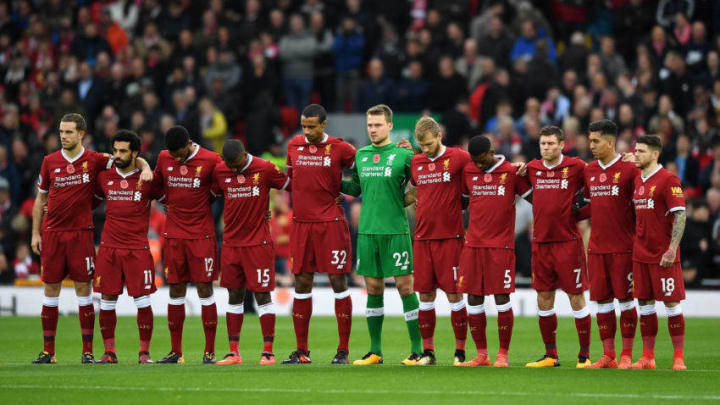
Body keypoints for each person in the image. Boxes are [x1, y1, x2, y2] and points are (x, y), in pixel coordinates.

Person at [31, 113, 152, 364]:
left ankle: (87, 351)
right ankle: (48, 352)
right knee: (50, 289)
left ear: (81, 134)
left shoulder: (96, 160)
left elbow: (129, 159)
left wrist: (147, 167)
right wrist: (35, 232)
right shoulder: (49, 161)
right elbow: (40, 198)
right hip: (52, 233)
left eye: (68, 132)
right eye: (61, 132)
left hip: (82, 234)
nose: (63, 137)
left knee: (84, 290)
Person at [342, 104, 422, 365]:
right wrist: (324, 179)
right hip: (367, 232)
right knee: (373, 287)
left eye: (378, 125)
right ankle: (375, 351)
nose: (373, 129)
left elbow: (425, 182)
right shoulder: (361, 155)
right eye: (369, 125)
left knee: (404, 287)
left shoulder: (403, 156)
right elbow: (354, 187)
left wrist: (405, 200)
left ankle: (417, 350)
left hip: (396, 231)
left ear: (390, 125)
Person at [283, 104, 356, 364]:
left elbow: (364, 167)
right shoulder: (293, 146)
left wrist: (348, 188)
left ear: (324, 125)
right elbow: (291, 181)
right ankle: (302, 351)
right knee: (302, 283)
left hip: (330, 224)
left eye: (312, 126)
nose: (307, 131)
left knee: (338, 282)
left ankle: (343, 350)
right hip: (302, 224)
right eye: (304, 126)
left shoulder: (340, 148)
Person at [212, 140, 290, 366]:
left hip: (258, 244)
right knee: (234, 296)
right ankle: (233, 352)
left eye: (236, 165)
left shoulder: (264, 168)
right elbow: (211, 192)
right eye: (230, 166)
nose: (234, 170)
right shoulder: (220, 170)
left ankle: (268, 352)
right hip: (231, 244)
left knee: (262, 296)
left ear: (245, 154)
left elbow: (292, 185)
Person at [458, 135, 532, 367]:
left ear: (492, 152)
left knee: (502, 297)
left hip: (501, 246)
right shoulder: (468, 171)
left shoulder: (512, 172)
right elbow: (461, 202)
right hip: (473, 245)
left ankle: (503, 354)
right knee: (473, 297)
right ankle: (482, 354)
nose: (478, 165)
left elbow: (537, 199)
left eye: (482, 160)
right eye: (475, 161)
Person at [522, 126, 593, 368]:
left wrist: (578, 214)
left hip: (567, 243)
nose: (546, 148)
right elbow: (519, 183)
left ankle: (584, 356)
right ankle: (550, 354)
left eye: (551, 144)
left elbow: (597, 192)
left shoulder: (577, 167)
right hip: (541, 243)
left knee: (576, 297)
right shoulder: (532, 169)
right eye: (543, 144)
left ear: (562, 144)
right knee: (544, 298)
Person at [153, 125, 223, 364]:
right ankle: (176, 352)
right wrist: (166, 200)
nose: (176, 158)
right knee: (175, 290)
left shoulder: (211, 159)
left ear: (189, 144)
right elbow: (155, 186)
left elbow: (220, 190)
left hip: (201, 236)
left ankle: (209, 351)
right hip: (173, 236)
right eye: (172, 154)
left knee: (205, 289)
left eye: (180, 153)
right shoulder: (164, 158)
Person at [93, 130, 164, 364]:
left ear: (135, 153)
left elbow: (171, 201)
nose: (118, 155)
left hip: (137, 249)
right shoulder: (103, 176)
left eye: (123, 151)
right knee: (107, 300)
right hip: (109, 248)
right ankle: (109, 352)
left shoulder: (148, 180)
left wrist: (145, 167)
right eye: (115, 150)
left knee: (143, 301)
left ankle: (144, 353)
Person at [406, 117, 470, 366]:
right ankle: (429, 352)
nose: (426, 149)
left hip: (450, 239)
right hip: (423, 239)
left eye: (430, 144)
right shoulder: (417, 161)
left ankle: (460, 352)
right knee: (425, 295)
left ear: (440, 136)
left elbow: (485, 165)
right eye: (421, 145)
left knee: (454, 295)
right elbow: (412, 190)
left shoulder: (458, 157)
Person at [581, 120, 640, 369]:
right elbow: (585, 206)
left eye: (595, 141)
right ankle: (608, 355)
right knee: (602, 302)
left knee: (626, 301)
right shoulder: (589, 170)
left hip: (623, 247)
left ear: (610, 141)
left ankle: (626, 354)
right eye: (589, 140)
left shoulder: (629, 169)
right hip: (597, 247)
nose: (591, 145)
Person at [630, 134, 687, 371]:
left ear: (655, 154)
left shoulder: (667, 179)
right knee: (644, 304)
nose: (636, 154)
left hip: (663, 255)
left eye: (641, 151)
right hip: (640, 253)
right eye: (635, 150)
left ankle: (678, 358)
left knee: (671, 303)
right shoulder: (638, 180)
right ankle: (647, 357)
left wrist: (672, 249)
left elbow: (680, 214)